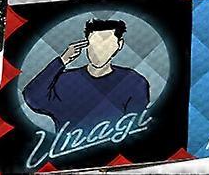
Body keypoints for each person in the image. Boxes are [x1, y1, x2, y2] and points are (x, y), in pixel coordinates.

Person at [22, 18, 150, 132]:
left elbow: (135, 127)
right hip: (68, 149)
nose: (99, 50)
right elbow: (32, 98)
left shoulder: (133, 82)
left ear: (119, 44)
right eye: (94, 43)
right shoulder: (65, 81)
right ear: (86, 44)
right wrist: (62, 60)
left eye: (106, 44)